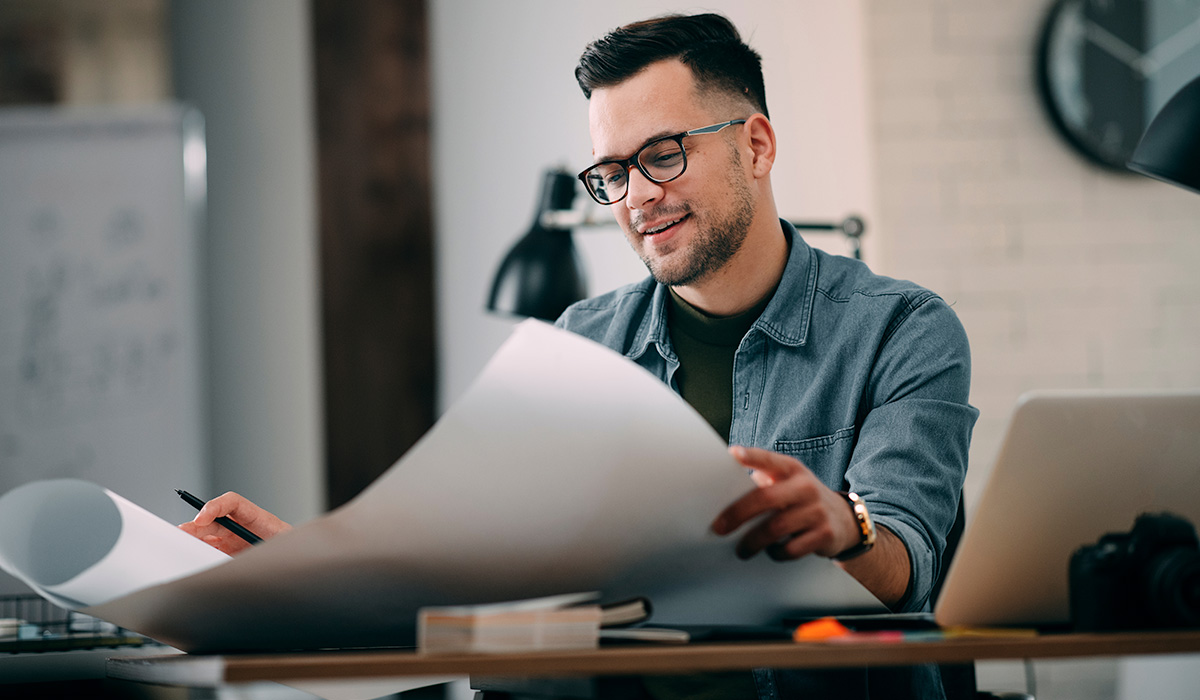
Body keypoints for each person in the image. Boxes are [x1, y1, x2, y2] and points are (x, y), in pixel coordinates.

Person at [183, 12, 976, 699]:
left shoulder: (901, 331)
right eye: (613, 172)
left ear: (757, 146)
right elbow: (475, 566)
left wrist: (847, 528)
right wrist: (296, 568)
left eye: (663, 154)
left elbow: (910, 567)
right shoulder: (577, 346)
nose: (636, 197)